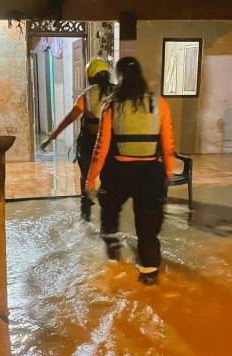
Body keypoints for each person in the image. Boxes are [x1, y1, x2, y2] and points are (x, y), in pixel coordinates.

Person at [86, 56, 175, 286]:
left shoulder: (111, 104)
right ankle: (149, 272)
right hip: (150, 173)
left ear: (120, 77)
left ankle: (113, 257)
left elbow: (101, 147)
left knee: (109, 215)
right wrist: (169, 171)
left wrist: (92, 177)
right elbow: (168, 143)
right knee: (148, 225)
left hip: (119, 173)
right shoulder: (159, 104)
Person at [41, 57, 114, 221]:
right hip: (111, 144)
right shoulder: (117, 93)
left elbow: (70, 118)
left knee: (86, 179)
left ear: (90, 75)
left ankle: (86, 215)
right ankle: (108, 219)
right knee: (108, 180)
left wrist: (52, 136)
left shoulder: (86, 95)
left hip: (89, 143)